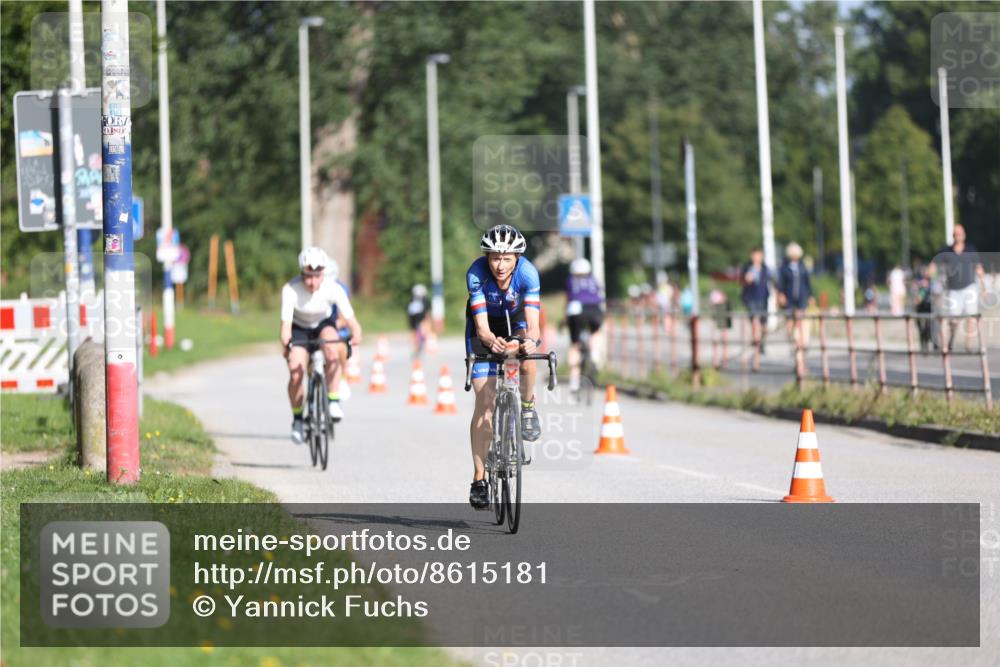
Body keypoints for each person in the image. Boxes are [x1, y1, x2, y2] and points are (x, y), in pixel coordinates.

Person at [465, 224, 542, 510]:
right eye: (495, 257)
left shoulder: (528, 274)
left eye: (507, 258)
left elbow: (533, 324)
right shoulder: (476, 274)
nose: (500, 265)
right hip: (483, 325)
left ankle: (528, 407)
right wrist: (488, 340)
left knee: (523, 356)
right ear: (487, 256)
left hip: (517, 320)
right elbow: (482, 327)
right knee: (484, 402)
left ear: (517, 258)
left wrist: (530, 341)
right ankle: (479, 478)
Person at [280, 247, 363, 444]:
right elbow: (285, 326)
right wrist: (287, 344)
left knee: (332, 350)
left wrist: (356, 334)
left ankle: (333, 400)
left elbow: (351, 320)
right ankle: (298, 419)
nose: (312, 282)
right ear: (302, 274)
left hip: (323, 325)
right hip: (300, 328)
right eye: (308, 277)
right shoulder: (290, 290)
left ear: (323, 274)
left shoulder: (332, 288)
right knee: (296, 372)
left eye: (317, 277)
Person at [929, 224, 985, 351]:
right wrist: (929, 273)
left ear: (963, 234)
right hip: (953, 290)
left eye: (960, 233)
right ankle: (951, 339)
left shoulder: (971, 249)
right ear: (953, 235)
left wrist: (983, 287)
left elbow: (978, 268)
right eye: (955, 233)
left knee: (971, 316)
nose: (958, 235)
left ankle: (968, 345)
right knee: (954, 320)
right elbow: (934, 264)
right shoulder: (946, 251)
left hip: (969, 287)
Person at [565, 257, 605, 393]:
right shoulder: (594, 280)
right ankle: (594, 354)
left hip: (575, 310)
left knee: (574, 345)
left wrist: (564, 320)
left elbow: (568, 298)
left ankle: (574, 381)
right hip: (595, 309)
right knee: (596, 332)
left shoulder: (570, 280)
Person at [777, 242, 813, 378]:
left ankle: (801, 362)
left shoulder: (802, 267)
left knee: (803, 335)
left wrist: (810, 295)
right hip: (790, 304)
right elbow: (780, 284)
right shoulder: (784, 268)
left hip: (802, 302)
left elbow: (807, 283)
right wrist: (781, 295)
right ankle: (799, 363)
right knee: (794, 334)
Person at [740, 247, 770, 372]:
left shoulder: (765, 269)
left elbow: (771, 282)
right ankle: (756, 360)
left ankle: (758, 345)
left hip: (763, 300)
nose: (757, 257)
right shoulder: (747, 268)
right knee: (755, 326)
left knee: (763, 328)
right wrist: (747, 280)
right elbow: (742, 282)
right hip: (751, 299)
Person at [708, 287, 732, 369]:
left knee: (722, 341)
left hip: (721, 318)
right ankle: (718, 360)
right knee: (718, 341)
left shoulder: (717, 294)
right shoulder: (715, 294)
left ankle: (723, 360)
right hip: (717, 319)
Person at [407, 284, 431, 357]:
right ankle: (418, 346)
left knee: (421, 333)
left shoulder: (423, 301)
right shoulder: (413, 300)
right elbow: (410, 312)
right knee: (418, 333)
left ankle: (419, 345)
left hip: (420, 319)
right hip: (416, 320)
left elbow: (427, 311)